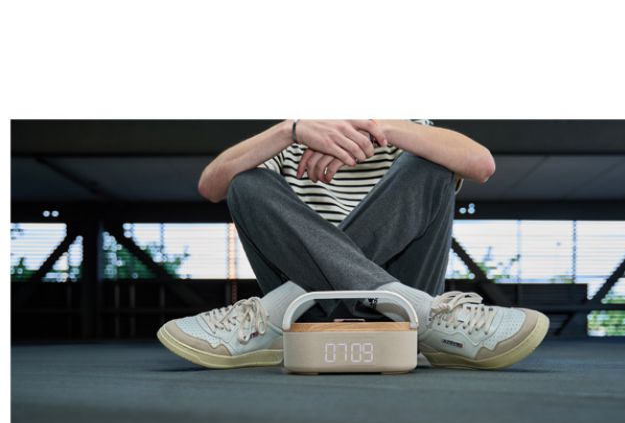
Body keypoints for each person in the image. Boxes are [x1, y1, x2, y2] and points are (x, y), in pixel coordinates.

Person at [156, 119, 549, 370]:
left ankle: (272, 314)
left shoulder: (404, 131)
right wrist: (290, 130)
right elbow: (211, 186)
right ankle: (429, 314)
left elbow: (481, 164)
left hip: (385, 310)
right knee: (245, 183)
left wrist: (379, 127)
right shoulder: (290, 143)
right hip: (312, 314)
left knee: (430, 165)